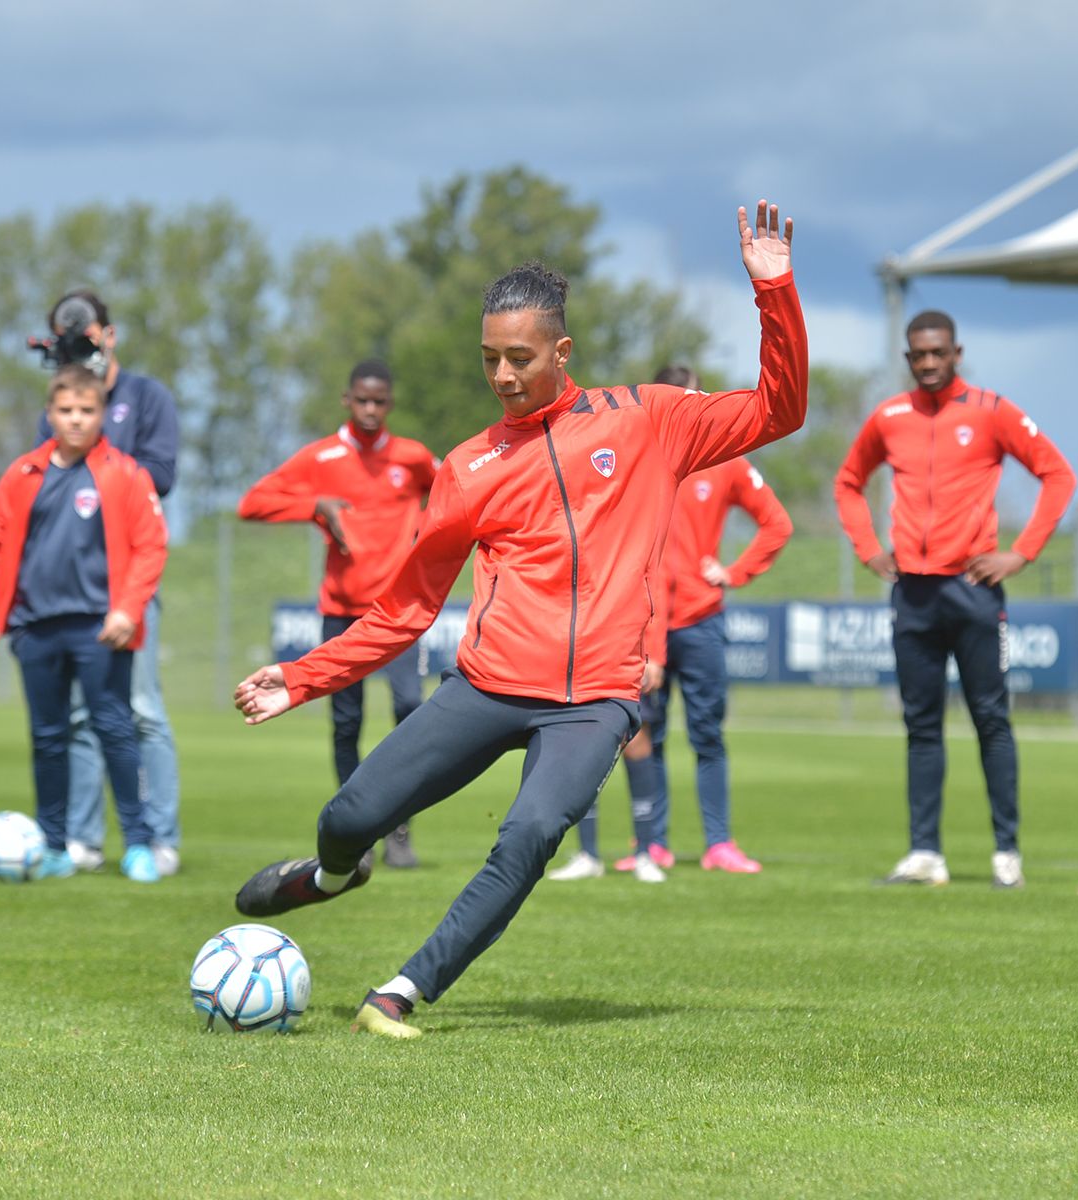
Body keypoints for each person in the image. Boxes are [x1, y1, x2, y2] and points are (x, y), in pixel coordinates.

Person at [231, 200, 807, 1037]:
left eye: (520, 359)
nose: (502, 376)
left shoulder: (648, 421)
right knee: (349, 818)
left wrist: (773, 289)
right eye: (490, 360)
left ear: (561, 351)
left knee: (531, 834)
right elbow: (406, 609)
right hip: (489, 686)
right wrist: (300, 677)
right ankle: (328, 876)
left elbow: (779, 409)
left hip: (595, 701)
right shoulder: (467, 467)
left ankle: (401, 992)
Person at [834, 310, 1075, 889]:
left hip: (973, 590)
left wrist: (1020, 554)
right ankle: (925, 854)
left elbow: (1057, 474)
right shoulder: (890, 417)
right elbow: (848, 482)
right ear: (908, 358)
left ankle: (1006, 853)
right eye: (918, 355)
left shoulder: (992, 412)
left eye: (938, 353)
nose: (929, 363)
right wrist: (870, 550)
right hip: (912, 593)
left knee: (991, 719)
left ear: (957, 353)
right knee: (921, 727)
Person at [550, 364, 793, 882]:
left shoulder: (726, 461)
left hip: (701, 622)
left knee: (707, 736)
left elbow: (777, 523)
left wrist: (733, 571)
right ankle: (652, 845)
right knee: (646, 736)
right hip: (642, 621)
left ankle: (719, 843)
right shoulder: (636, 459)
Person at [0, 364, 169, 883]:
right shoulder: (22, 474)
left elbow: (150, 546)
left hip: (101, 629)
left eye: (87, 411)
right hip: (35, 628)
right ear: (50, 414)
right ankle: (55, 846)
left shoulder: (124, 473)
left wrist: (128, 607)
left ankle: (140, 845)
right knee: (47, 738)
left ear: (102, 414)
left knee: (115, 731)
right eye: (66, 411)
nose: (76, 420)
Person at [238, 360, 439, 868]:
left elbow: (456, 492)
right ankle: (359, 831)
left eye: (380, 401)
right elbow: (253, 502)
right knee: (345, 727)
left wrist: (426, 534)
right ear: (347, 400)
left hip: (397, 613)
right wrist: (314, 505)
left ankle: (400, 829)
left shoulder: (412, 458)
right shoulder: (322, 456)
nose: (371, 410)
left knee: (409, 711)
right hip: (341, 615)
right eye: (362, 400)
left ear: (389, 403)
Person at [33, 290, 182, 877]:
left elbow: (163, 475)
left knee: (140, 708)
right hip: (70, 586)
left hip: (127, 582)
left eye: (87, 334)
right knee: (78, 716)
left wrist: (97, 461)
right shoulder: (60, 402)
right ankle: (84, 839)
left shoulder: (146, 396)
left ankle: (160, 838)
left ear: (110, 334)